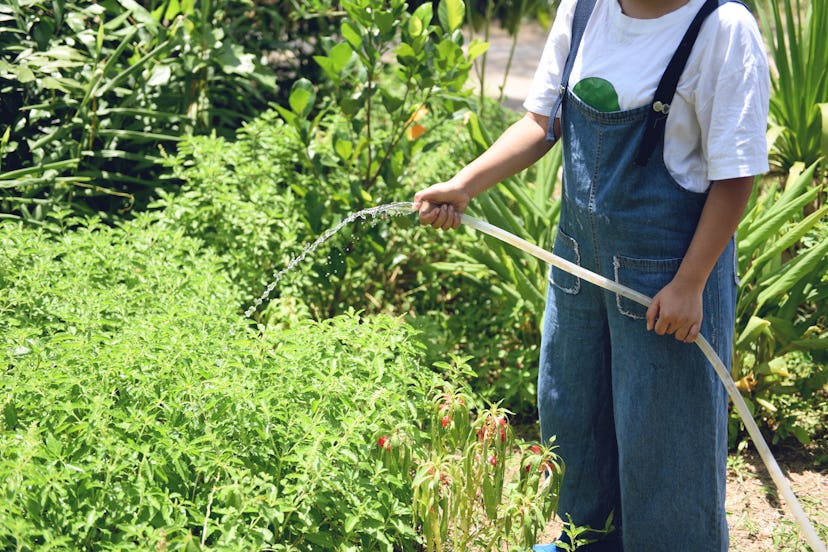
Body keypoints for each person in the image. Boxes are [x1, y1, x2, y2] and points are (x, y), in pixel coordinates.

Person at [412, 0, 770, 549]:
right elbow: (541, 122)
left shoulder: (721, 28)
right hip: (579, 268)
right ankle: (587, 540)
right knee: (574, 414)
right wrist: (465, 184)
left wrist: (691, 284)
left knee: (665, 439)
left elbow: (736, 173)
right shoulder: (584, 10)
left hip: (669, 285)